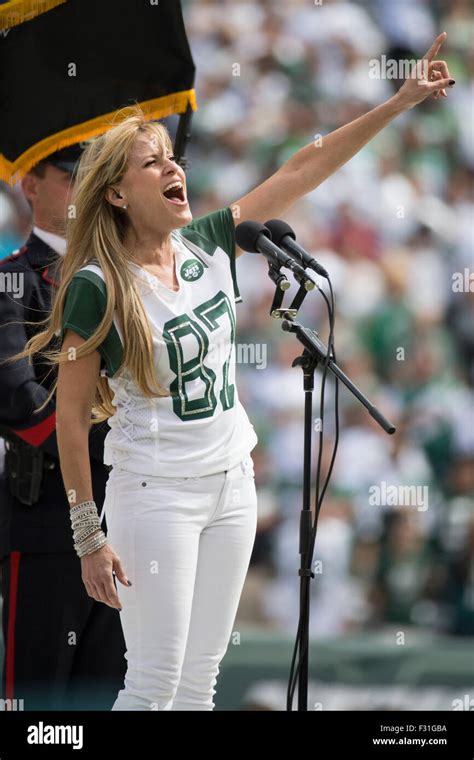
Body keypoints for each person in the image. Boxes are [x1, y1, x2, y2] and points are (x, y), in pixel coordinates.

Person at [7, 32, 453, 710]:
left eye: (169, 156)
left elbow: (303, 168)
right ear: (118, 196)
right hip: (155, 495)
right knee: (153, 684)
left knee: (199, 684)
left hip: (233, 483)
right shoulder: (97, 284)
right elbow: (69, 416)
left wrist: (397, 103)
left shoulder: (210, 242)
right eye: (149, 162)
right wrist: (88, 535)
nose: (170, 166)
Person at [0, 146, 126, 710]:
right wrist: (118, 421)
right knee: (39, 705)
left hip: (129, 519)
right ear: (29, 184)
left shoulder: (126, 280)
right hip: (49, 523)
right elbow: (21, 408)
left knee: (113, 695)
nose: (84, 187)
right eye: (72, 175)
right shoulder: (11, 282)